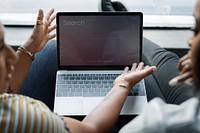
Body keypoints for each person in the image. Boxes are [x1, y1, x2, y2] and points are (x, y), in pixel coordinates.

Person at [0, 8, 156, 133]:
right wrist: (123, 84)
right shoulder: (24, 118)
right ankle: (117, 17)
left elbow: (7, 90)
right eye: (0, 47)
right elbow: (91, 128)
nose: (13, 57)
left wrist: (30, 47)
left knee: (52, 47)